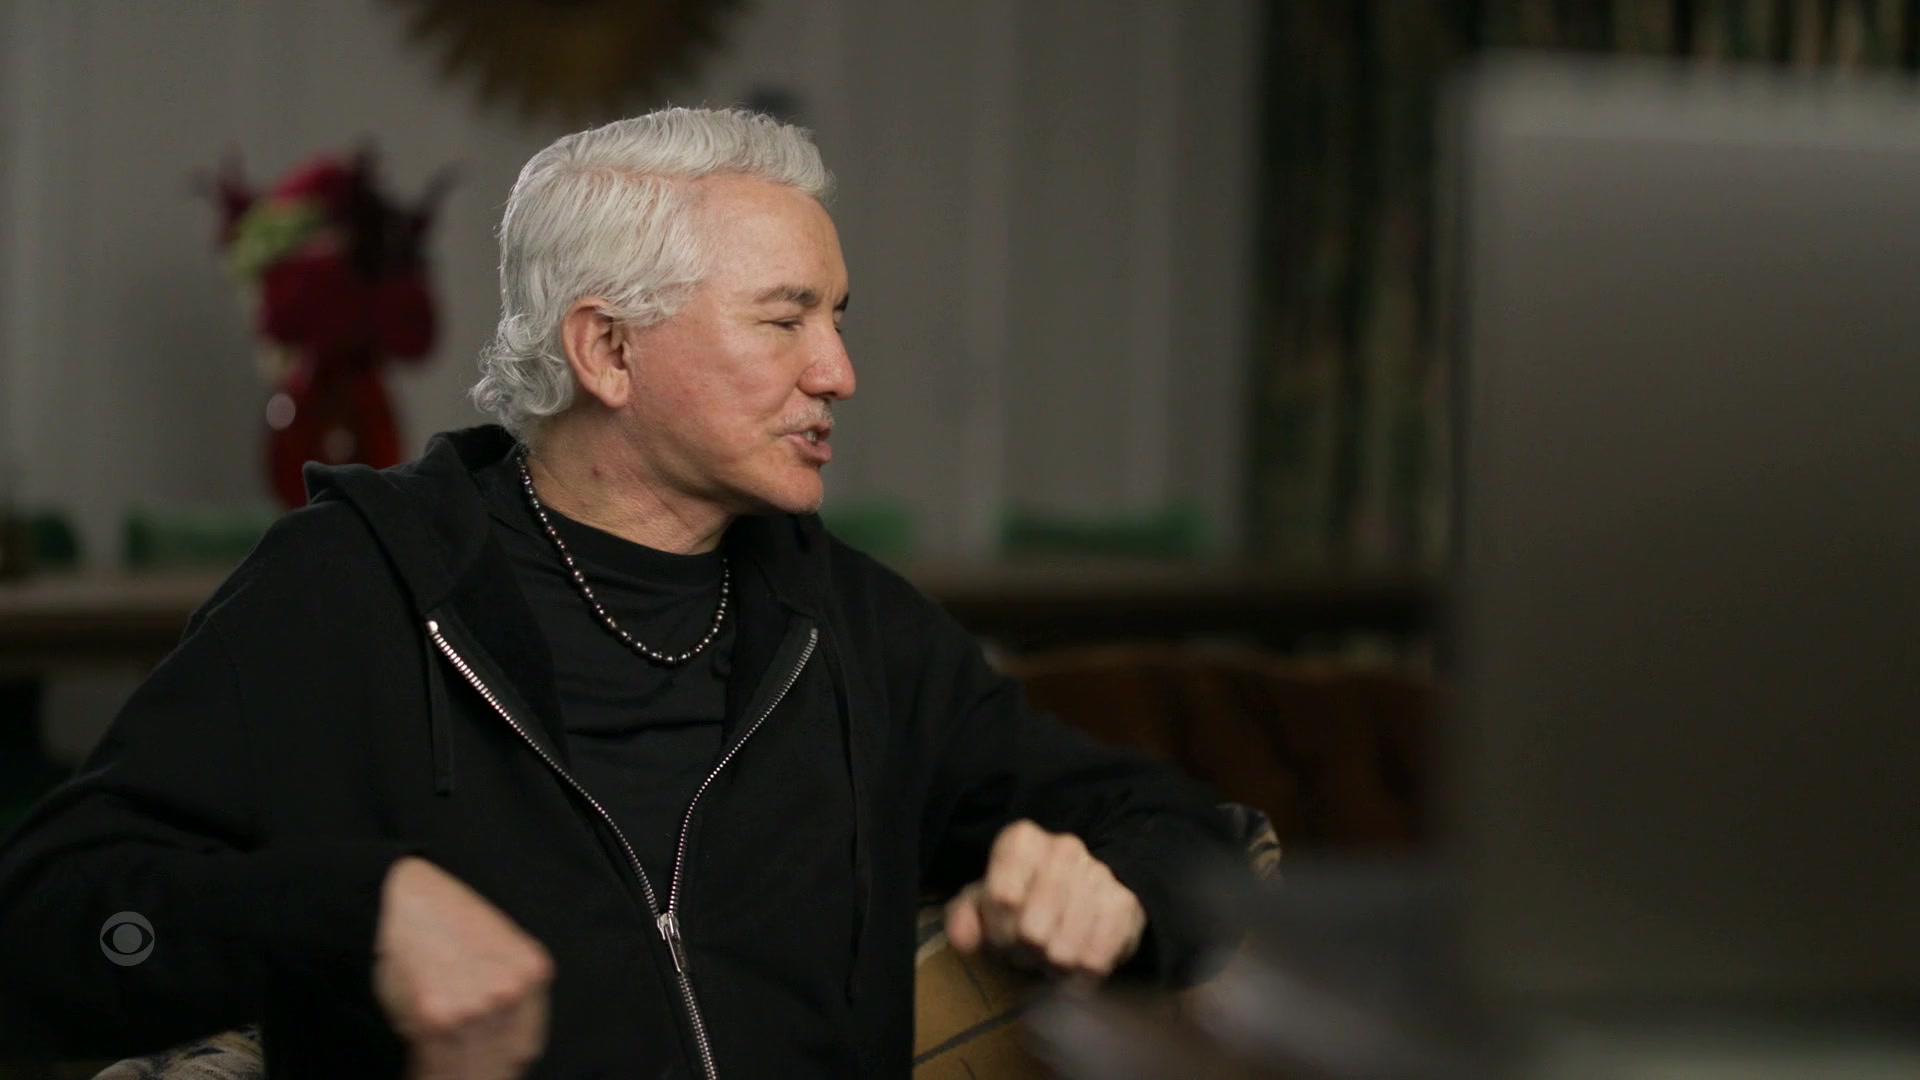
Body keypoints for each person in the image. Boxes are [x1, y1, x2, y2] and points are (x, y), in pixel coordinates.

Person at [0, 108, 1239, 1078]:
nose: (840, 371)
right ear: (606, 349)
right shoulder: (348, 593)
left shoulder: (854, 627)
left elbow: (1193, 838)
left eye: (837, 317)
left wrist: (1119, 895)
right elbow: (48, 930)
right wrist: (353, 913)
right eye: (785, 320)